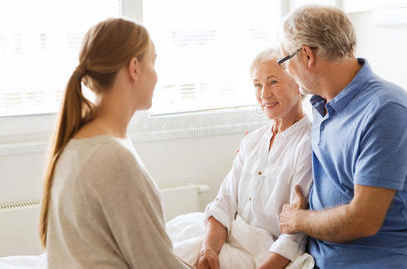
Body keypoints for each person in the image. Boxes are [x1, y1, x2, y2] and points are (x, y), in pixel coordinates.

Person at [277, 5, 407, 268]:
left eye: (285, 61)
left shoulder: (385, 109)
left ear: (306, 55)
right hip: (319, 255)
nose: (286, 71)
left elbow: (363, 220)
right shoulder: (322, 107)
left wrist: (298, 219)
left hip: (382, 259)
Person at [38, 18, 187, 268]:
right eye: (154, 61)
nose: (157, 75)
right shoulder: (113, 158)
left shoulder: (77, 142)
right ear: (134, 68)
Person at [166, 47, 314, 269]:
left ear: (298, 82)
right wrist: (208, 250)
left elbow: (295, 236)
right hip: (225, 236)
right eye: (257, 85)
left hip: (261, 253)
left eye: (273, 82)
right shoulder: (252, 141)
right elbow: (223, 202)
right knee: (163, 243)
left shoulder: (307, 144)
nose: (264, 94)